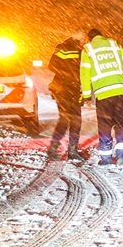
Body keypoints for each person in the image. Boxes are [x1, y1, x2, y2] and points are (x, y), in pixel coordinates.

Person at [79, 27, 123, 165]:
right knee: (122, 123)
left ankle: (106, 159)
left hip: (103, 93)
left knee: (105, 125)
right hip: (120, 90)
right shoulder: (114, 44)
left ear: (90, 38)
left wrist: (87, 96)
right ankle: (122, 157)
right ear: (102, 36)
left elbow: (85, 74)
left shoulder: (87, 50)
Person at [46, 28, 86, 161]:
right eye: (82, 38)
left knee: (73, 120)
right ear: (76, 36)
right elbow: (52, 66)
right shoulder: (65, 48)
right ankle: (59, 149)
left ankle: (69, 150)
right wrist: (69, 76)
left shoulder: (75, 49)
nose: (84, 41)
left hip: (70, 89)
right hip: (64, 89)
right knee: (68, 119)